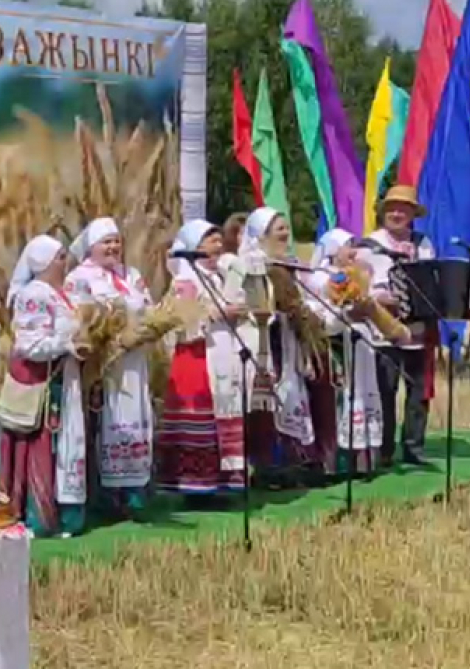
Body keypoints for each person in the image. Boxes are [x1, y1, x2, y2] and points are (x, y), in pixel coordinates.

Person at [64, 218, 153, 514]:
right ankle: (108, 495)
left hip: (135, 360)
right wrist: (107, 339)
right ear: (92, 247)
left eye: (116, 241)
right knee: (109, 421)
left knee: (137, 417)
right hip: (104, 365)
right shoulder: (80, 277)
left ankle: (137, 491)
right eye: (107, 242)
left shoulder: (132, 274)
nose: (114, 247)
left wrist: (146, 331)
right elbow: (78, 322)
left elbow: (149, 308)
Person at [0, 235, 87, 537]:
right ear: (44, 263)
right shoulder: (34, 295)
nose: (66, 262)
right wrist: (69, 343)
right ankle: (41, 517)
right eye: (60, 257)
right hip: (47, 382)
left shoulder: (60, 293)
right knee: (47, 449)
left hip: (66, 378)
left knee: (67, 447)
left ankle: (67, 513)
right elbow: (29, 345)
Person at [157, 219, 247, 497]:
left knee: (224, 411)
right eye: (211, 241)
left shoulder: (220, 276)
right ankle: (195, 484)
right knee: (202, 416)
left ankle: (224, 480)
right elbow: (181, 322)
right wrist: (218, 313)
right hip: (196, 356)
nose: (218, 246)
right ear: (195, 247)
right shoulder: (185, 280)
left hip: (220, 351)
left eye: (220, 240)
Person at [238, 207, 315, 486]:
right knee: (272, 398)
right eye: (278, 229)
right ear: (261, 234)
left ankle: (290, 462)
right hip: (264, 340)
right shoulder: (253, 265)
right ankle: (268, 465)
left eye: (285, 228)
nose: (285, 233)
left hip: (287, 338)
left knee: (290, 393)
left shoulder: (289, 264)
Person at [305, 229, 384, 474]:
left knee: (362, 394)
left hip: (358, 343)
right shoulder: (319, 277)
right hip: (334, 344)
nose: (353, 252)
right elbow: (329, 308)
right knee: (336, 403)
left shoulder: (354, 275)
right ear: (332, 249)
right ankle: (333, 464)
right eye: (348, 246)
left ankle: (361, 460)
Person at [366, 184, 434, 466]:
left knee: (419, 391)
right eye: (392, 209)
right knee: (386, 389)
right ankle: (383, 449)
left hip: (419, 330)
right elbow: (364, 287)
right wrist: (384, 297)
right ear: (383, 213)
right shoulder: (369, 244)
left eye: (403, 209)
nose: (397, 213)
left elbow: (432, 279)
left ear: (412, 214)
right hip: (384, 329)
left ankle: (414, 446)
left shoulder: (423, 244)